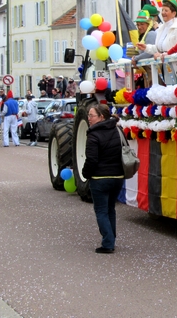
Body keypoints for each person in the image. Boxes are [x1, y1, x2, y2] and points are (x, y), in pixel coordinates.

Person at [81, 104, 124, 254]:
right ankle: (111, 238)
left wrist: (85, 173)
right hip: (118, 176)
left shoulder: (93, 135)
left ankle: (107, 243)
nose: (89, 118)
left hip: (100, 178)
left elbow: (91, 160)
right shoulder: (117, 130)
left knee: (101, 211)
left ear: (101, 117)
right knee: (110, 209)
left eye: (91, 115)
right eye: (89, 115)